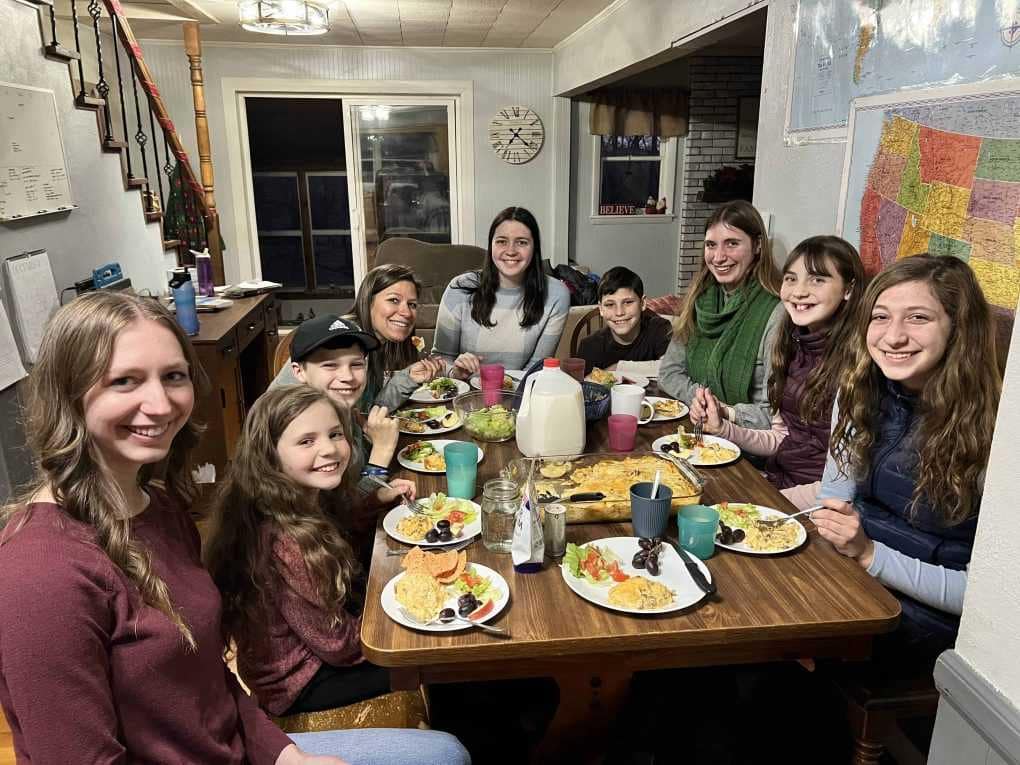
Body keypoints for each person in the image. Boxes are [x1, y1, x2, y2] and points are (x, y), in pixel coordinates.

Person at [0, 291, 469, 765]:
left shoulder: (161, 510)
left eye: (174, 376)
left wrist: (286, 756)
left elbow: (208, 681)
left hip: (244, 748)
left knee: (448, 752)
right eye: (124, 381)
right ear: (67, 392)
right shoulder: (40, 574)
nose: (160, 404)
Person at [814, 254, 1001, 666]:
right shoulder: (860, 389)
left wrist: (870, 556)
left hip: (925, 622)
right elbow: (835, 498)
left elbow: (988, 600)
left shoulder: (997, 432)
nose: (893, 336)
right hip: (851, 580)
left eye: (918, 318)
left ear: (958, 330)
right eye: (880, 317)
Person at [205, 385, 392, 718]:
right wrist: (402, 616)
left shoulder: (302, 497)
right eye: (307, 441)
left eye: (336, 434)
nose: (330, 450)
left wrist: (371, 505)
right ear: (270, 456)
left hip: (321, 648)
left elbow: (341, 534)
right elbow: (340, 647)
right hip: (302, 681)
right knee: (431, 663)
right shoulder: (284, 541)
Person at [692, 236, 865, 508]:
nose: (799, 291)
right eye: (791, 278)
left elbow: (842, 486)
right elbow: (780, 438)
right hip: (776, 481)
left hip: (818, 508)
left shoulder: (859, 365)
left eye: (817, 280)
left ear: (849, 289)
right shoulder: (789, 345)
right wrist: (723, 427)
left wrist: (766, 502)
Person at [659, 200, 785, 429]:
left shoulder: (777, 313)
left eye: (732, 244)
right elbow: (669, 372)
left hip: (749, 450)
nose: (718, 257)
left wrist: (724, 411)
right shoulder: (699, 299)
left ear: (757, 246)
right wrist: (702, 400)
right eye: (711, 245)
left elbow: (773, 416)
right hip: (700, 430)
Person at [278, 314, 415, 504]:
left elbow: (342, 505)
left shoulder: (336, 410)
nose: (347, 376)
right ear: (299, 371)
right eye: (330, 365)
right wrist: (381, 454)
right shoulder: (296, 429)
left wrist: (377, 496)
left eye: (356, 364)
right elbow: (336, 519)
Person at [274, 264, 445, 411]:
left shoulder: (374, 341)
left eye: (412, 304)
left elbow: (366, 410)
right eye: (394, 300)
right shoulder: (346, 340)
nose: (406, 312)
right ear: (368, 302)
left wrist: (408, 378)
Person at [433, 206, 570, 376]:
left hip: (520, 392)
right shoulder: (460, 288)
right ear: (491, 246)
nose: (511, 251)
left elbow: (537, 368)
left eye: (522, 242)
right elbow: (441, 358)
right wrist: (456, 372)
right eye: (501, 241)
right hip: (465, 393)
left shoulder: (557, 294)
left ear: (535, 248)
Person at [577, 266, 673, 373]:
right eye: (609, 304)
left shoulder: (659, 329)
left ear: (643, 303)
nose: (619, 312)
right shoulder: (590, 346)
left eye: (628, 302)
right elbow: (585, 386)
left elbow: (672, 369)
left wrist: (620, 368)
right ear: (601, 309)